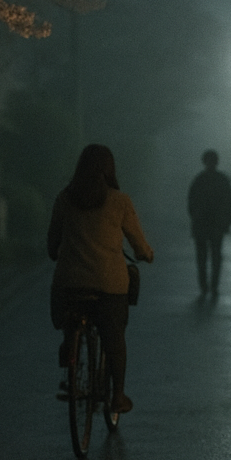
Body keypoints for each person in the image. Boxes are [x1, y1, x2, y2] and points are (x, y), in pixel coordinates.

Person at [47, 144, 154, 414]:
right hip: (109, 287)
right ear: (110, 169)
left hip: (68, 286)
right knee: (114, 338)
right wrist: (146, 254)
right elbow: (139, 246)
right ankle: (117, 395)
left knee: (70, 320)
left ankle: (69, 347)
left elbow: (51, 245)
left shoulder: (64, 199)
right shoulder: (120, 201)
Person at [187, 149, 231, 296]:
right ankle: (212, 286)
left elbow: (191, 203)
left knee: (203, 258)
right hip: (216, 225)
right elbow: (230, 203)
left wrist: (196, 218)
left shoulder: (199, 180)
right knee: (215, 256)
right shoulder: (222, 180)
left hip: (203, 224)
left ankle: (205, 286)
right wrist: (226, 222)